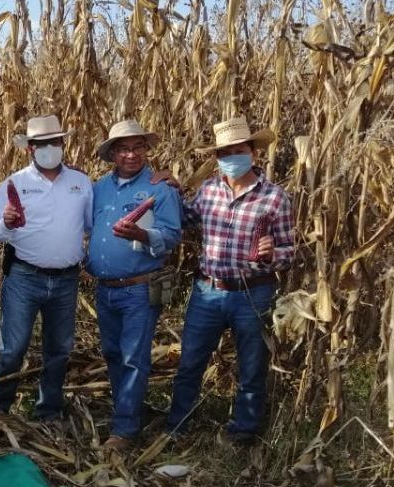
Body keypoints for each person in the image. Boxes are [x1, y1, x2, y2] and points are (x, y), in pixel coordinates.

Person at [165, 116, 296, 446]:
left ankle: (243, 431)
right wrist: (169, 190)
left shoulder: (275, 198)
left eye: (238, 151)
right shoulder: (209, 190)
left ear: (253, 152)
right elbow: (187, 217)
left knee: (252, 367)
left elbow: (290, 250)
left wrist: (272, 254)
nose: (231, 159)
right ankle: (178, 427)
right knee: (190, 362)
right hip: (208, 290)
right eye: (224, 153)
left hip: (253, 294)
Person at [0, 115, 92, 423]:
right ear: (30, 148)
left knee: (58, 349)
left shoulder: (80, 183)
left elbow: (92, 226)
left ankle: (48, 410)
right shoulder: (15, 183)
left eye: (54, 142)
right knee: (13, 349)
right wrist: (5, 221)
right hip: (24, 277)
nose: (49, 149)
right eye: (41, 144)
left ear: (63, 143)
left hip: (66, 280)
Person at [86, 120, 183, 451]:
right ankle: (126, 412)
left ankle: (125, 431)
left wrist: (142, 235)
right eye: (124, 148)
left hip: (139, 289)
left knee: (133, 357)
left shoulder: (160, 189)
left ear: (146, 150)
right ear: (112, 153)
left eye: (138, 147)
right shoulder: (98, 188)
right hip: (105, 287)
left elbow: (172, 235)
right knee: (113, 353)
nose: (131, 154)